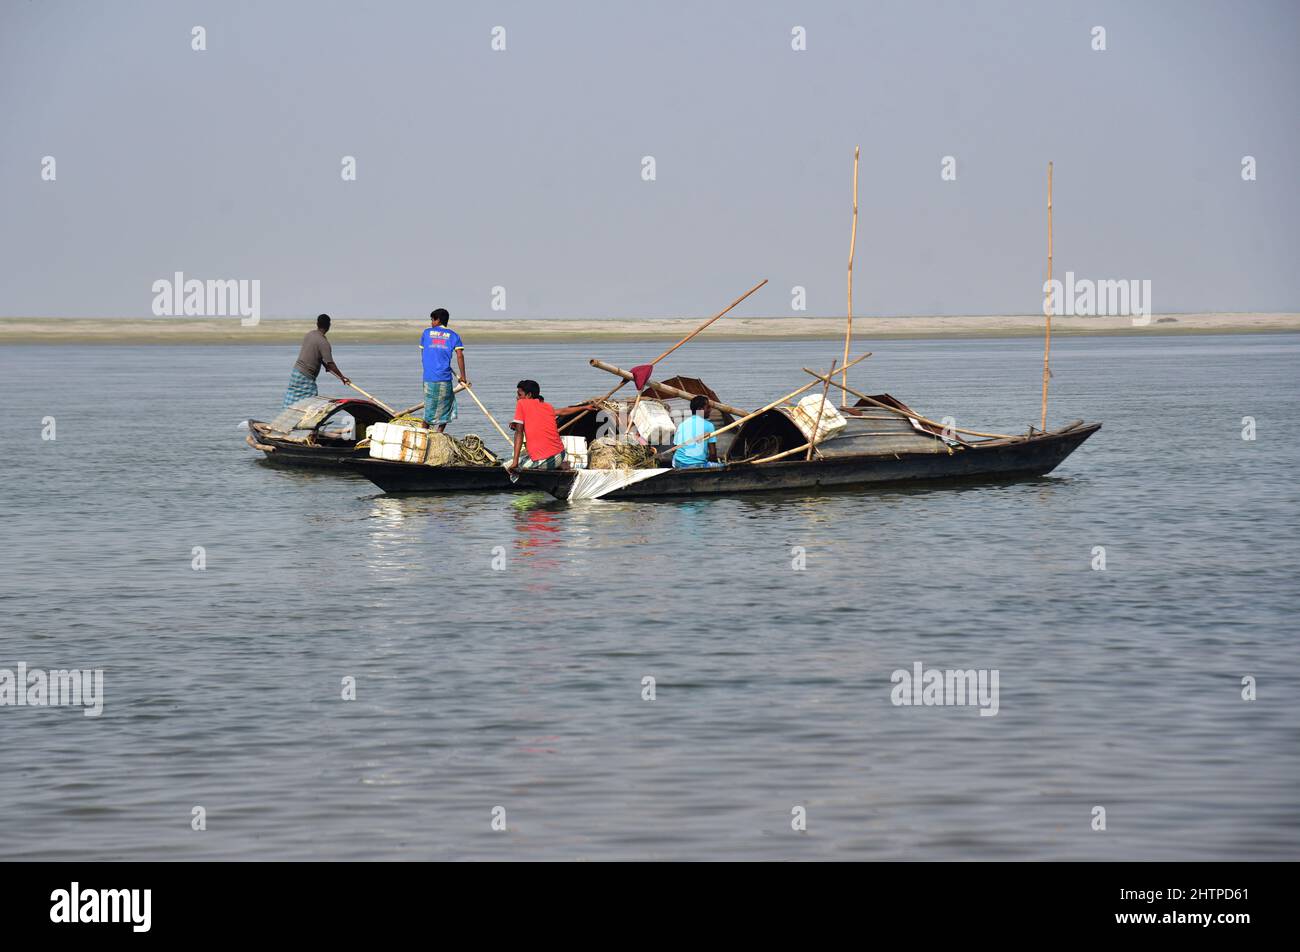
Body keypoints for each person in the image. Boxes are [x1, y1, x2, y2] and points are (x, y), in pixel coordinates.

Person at [506, 380, 591, 473]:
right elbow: (563, 411)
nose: (517, 398)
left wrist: (515, 462)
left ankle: (558, 465)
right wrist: (584, 407)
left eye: (519, 395)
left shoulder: (522, 403)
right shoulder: (547, 406)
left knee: (517, 467)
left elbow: (519, 433)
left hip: (549, 457)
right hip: (560, 454)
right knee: (521, 460)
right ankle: (559, 464)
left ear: (529, 395)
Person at [284, 314, 349, 407]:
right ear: (329, 326)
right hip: (306, 376)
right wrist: (342, 377)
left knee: (292, 399)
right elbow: (331, 364)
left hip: (296, 372)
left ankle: (287, 417)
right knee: (311, 401)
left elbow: (315, 353)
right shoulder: (324, 342)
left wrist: (324, 364)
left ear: (317, 324)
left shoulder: (309, 334)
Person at [420, 308, 468, 432]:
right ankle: (439, 431)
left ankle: (425, 431)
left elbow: (423, 352)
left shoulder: (426, 333)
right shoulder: (454, 335)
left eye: (432, 320)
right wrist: (463, 377)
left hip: (429, 376)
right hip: (444, 377)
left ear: (438, 320)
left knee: (429, 406)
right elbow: (459, 355)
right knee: (447, 406)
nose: (431, 323)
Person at [672, 395, 723, 468]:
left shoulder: (681, 424)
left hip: (678, 463)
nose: (710, 410)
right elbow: (713, 454)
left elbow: (674, 449)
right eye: (708, 407)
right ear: (700, 409)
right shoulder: (709, 425)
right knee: (723, 466)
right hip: (696, 465)